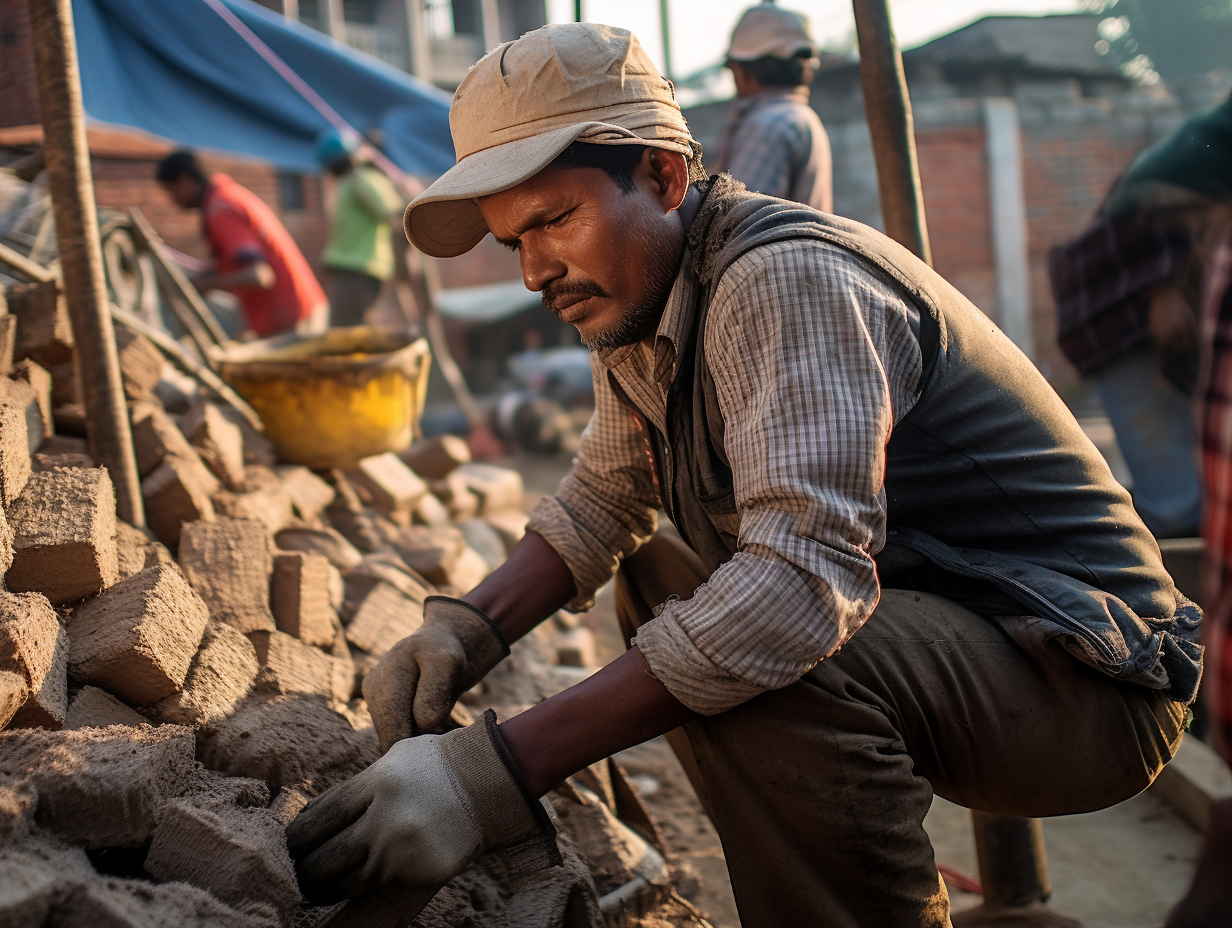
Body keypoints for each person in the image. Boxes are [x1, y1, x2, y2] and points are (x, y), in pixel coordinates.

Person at [286, 25, 1202, 928]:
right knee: (663, 584)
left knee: (766, 653)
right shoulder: (640, 296)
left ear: (663, 175)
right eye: (511, 242)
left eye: (554, 221)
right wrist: (465, 630)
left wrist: (490, 773)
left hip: (1089, 675)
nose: (534, 271)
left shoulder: (781, 280)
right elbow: (606, 500)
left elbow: (800, 591)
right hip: (970, 637)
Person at [155, 149, 327, 338]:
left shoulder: (220, 211)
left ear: (184, 181)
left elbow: (259, 275)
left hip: (291, 323)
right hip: (294, 312)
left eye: (170, 192)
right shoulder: (226, 196)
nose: (173, 201)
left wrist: (203, 285)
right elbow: (234, 263)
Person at [710, 1, 833, 212]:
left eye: (734, 71)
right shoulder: (799, 116)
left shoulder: (767, 126)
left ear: (748, 70)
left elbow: (732, 220)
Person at [315, 128, 405, 327]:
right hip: (353, 267)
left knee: (349, 333)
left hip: (357, 268)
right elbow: (394, 212)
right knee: (349, 331)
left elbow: (395, 214)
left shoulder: (358, 180)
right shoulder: (352, 181)